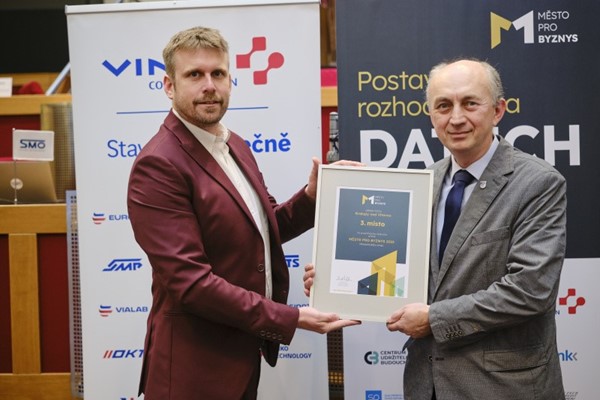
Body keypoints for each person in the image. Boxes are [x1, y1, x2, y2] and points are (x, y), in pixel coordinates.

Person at [304, 58, 566, 399]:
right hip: (425, 384)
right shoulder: (423, 183)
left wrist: (433, 319)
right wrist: (336, 279)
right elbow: (402, 273)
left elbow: (530, 290)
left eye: (469, 103)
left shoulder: (537, 183)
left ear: (498, 111)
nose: (455, 118)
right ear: (431, 115)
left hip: (502, 387)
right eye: (443, 106)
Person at [127, 26, 360, 400]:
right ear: (169, 86)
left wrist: (313, 197)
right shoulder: (158, 164)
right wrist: (290, 317)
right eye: (195, 75)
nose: (209, 86)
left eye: (218, 73)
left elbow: (263, 229)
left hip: (241, 357)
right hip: (193, 372)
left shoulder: (234, 145)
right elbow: (191, 284)